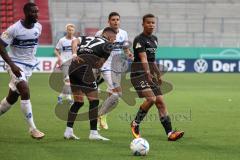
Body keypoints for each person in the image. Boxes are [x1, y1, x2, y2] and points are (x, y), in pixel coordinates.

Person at [130, 14, 184, 141]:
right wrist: (148, 73)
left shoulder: (154, 39)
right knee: (151, 99)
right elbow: (143, 59)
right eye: (148, 22)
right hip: (138, 74)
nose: (151, 25)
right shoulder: (139, 39)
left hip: (149, 73)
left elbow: (152, 60)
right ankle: (135, 124)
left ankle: (170, 133)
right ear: (143, 24)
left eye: (153, 23)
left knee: (160, 101)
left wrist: (158, 75)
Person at [63, 27, 117, 140]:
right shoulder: (108, 45)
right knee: (94, 101)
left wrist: (74, 54)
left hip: (73, 67)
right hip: (84, 70)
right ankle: (93, 133)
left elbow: (74, 41)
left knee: (78, 102)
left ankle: (68, 131)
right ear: (110, 37)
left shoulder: (88, 37)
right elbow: (99, 65)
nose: (115, 41)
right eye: (114, 38)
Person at [0, 2, 45, 139]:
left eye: (37, 11)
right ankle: (33, 129)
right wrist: (12, 66)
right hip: (16, 65)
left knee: (11, 99)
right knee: (25, 91)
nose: (36, 14)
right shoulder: (14, 29)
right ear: (25, 13)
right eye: (33, 12)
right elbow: (1, 47)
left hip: (29, 66)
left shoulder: (38, 26)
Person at [95, 12, 133, 130]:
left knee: (112, 94)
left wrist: (129, 54)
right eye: (113, 20)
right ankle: (99, 115)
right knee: (117, 92)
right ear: (109, 21)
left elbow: (125, 48)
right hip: (105, 65)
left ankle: (102, 116)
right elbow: (95, 49)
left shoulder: (123, 33)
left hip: (117, 65)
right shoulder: (100, 33)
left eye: (117, 19)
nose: (116, 21)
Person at [55, 24, 76, 105]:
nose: (71, 32)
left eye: (72, 30)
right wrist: (59, 57)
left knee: (70, 82)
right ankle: (69, 98)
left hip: (73, 63)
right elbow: (56, 50)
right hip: (64, 63)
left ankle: (61, 96)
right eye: (69, 30)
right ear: (67, 31)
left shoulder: (76, 40)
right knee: (68, 81)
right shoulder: (62, 40)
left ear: (74, 31)